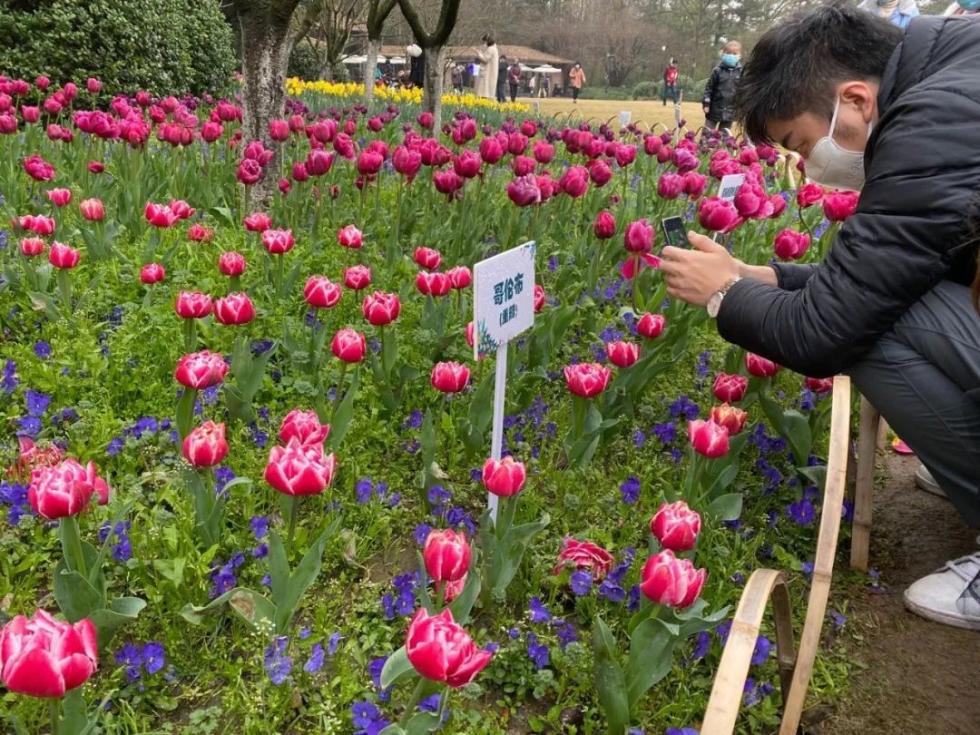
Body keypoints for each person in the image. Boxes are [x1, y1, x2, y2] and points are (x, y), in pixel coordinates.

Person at [660, 2, 980, 631]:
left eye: (801, 144)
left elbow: (828, 332)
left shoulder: (929, 126)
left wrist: (725, 294)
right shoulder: (956, 64)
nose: (806, 167)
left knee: (873, 337)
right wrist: (770, 277)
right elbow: (917, 268)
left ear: (856, 99)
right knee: (883, 312)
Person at [702, 41, 741, 131]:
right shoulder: (717, 71)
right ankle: (704, 145)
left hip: (730, 111)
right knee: (707, 134)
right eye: (728, 53)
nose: (731, 55)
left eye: (734, 53)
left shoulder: (741, 72)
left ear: (739, 55)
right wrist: (706, 104)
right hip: (714, 109)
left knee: (724, 137)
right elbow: (709, 88)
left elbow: (742, 92)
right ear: (723, 54)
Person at [475, 34, 499, 100]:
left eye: (484, 42)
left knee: (484, 91)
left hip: (487, 73)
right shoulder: (494, 49)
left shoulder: (491, 49)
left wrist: (478, 54)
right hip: (489, 73)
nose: (484, 44)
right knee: (486, 91)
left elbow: (485, 59)